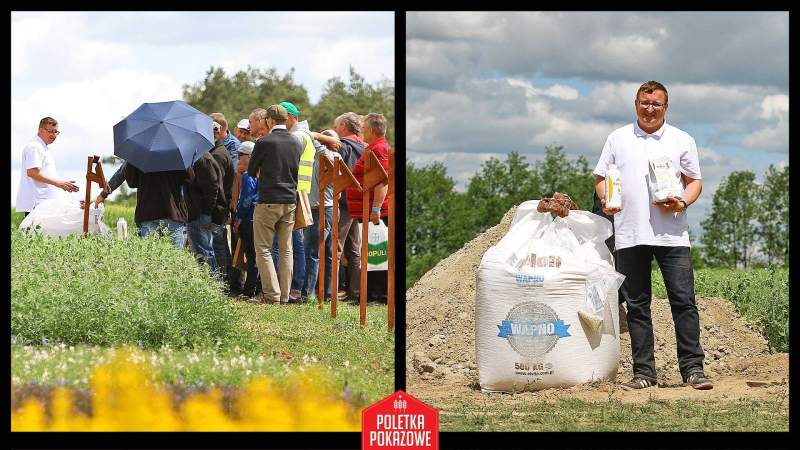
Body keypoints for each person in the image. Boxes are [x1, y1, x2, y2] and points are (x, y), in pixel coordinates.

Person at [593, 80, 712, 391]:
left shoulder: (682, 139)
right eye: (644, 103)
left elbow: (695, 182)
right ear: (636, 105)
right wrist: (606, 199)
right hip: (630, 233)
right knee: (637, 305)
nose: (650, 109)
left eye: (656, 104)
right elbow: (601, 178)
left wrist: (682, 202)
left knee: (683, 301)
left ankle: (693, 369)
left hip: (672, 235)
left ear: (665, 107)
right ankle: (644, 372)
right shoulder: (617, 138)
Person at [248, 104, 303, 304]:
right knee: (286, 249)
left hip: (268, 200)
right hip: (289, 200)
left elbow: (251, 170)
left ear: (269, 120)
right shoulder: (296, 142)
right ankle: (285, 295)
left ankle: (272, 295)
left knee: (263, 248)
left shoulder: (264, 142)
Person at [345, 113, 391, 302]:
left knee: (376, 252)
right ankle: (370, 292)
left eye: (364, 128)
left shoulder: (379, 149)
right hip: (366, 210)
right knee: (370, 251)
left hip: (375, 212)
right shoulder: (373, 147)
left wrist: (375, 209)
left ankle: (378, 294)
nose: (362, 131)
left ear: (371, 130)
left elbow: (382, 181)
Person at [302, 128, 342, 301]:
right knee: (328, 253)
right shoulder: (334, 157)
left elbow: (310, 136)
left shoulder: (326, 155)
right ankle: (328, 293)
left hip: (321, 209)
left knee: (312, 252)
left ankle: (307, 294)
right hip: (331, 208)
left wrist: (321, 137)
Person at [16, 117, 79, 216]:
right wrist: (58, 183)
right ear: (41, 130)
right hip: (37, 203)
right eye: (50, 131)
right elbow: (32, 172)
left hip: (44, 203)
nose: (54, 135)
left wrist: (62, 185)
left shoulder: (43, 147)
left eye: (56, 132)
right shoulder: (35, 147)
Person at [333, 112, 366, 300]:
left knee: (336, 246)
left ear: (344, 125)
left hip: (344, 202)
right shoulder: (365, 146)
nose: (335, 129)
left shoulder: (344, 146)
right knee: (354, 250)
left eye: (337, 125)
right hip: (360, 202)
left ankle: (333, 290)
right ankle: (355, 292)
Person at [185, 124, 225, 271]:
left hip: (200, 214)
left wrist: (206, 213)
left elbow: (212, 188)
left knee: (203, 253)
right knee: (202, 252)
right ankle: (212, 281)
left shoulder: (203, 158)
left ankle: (211, 282)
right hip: (198, 213)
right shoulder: (199, 157)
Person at [124, 163, 191, 249]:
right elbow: (190, 178)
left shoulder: (138, 156)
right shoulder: (177, 156)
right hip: (173, 212)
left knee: (150, 255)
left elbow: (131, 182)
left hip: (147, 213)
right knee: (176, 255)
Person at [233, 140, 260, 298]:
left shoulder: (248, 174)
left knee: (251, 256)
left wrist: (239, 218)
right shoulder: (261, 172)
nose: (238, 158)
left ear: (249, 156)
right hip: (259, 217)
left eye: (240, 155)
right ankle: (257, 288)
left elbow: (246, 199)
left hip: (248, 218)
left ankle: (249, 290)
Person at [209, 121, 235, 282]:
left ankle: (222, 283)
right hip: (219, 206)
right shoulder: (218, 151)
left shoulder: (217, 155)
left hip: (216, 208)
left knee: (218, 246)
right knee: (221, 245)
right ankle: (226, 281)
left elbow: (215, 185)